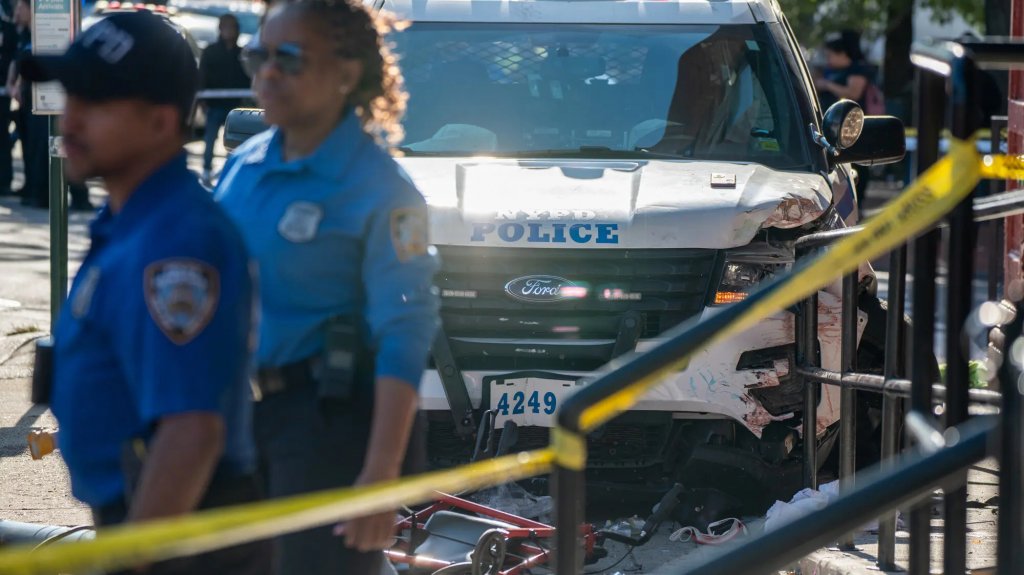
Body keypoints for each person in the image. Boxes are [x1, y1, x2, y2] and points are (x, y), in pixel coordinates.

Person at [22, 11, 270, 574]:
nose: (71, 119)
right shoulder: (131, 222)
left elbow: (189, 431)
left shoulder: (178, 243)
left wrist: (136, 558)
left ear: (161, 122)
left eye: (97, 103)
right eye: (71, 97)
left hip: (179, 532)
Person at [215, 0, 440, 573]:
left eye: (289, 59)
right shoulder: (244, 165)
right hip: (237, 420)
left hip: (327, 430)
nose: (267, 73)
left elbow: (405, 336)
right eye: (257, 55)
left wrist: (381, 477)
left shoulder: (384, 190)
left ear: (345, 73)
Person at [6, 0, 91, 209]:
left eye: (21, 7)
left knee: (54, 146)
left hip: (46, 103)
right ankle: (39, 192)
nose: (17, 11)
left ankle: (75, 198)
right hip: (31, 100)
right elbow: (18, 63)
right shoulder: (24, 33)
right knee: (37, 147)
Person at [815, 30, 875, 209]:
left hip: (851, 127)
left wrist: (827, 85)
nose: (828, 59)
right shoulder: (830, 70)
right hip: (829, 127)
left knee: (856, 165)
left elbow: (853, 93)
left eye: (831, 55)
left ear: (842, 53)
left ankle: (857, 204)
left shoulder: (857, 70)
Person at [198, 13, 250, 185]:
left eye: (233, 27)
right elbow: (202, 76)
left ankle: (230, 171)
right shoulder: (211, 51)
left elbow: (247, 78)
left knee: (235, 141)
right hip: (214, 104)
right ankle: (206, 170)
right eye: (227, 27)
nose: (230, 31)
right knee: (210, 137)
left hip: (235, 106)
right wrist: (203, 99)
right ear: (220, 29)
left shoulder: (242, 54)